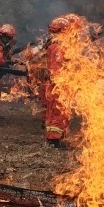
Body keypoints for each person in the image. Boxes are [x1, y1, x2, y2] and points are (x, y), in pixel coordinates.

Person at [43, 16, 72, 148]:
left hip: (54, 84)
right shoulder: (58, 47)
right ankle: (53, 140)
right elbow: (57, 69)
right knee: (58, 111)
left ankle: (53, 137)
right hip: (58, 84)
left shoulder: (52, 45)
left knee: (53, 111)